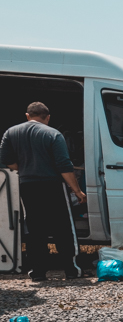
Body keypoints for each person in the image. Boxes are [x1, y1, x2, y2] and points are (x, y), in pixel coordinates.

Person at [0, 102, 86, 280]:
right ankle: (71, 270)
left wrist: (24, 169)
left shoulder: (11, 132)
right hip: (52, 185)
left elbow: (5, 159)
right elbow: (64, 165)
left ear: (27, 115)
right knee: (63, 227)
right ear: (47, 118)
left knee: (35, 229)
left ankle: (38, 272)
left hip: (27, 186)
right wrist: (77, 190)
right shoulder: (53, 134)